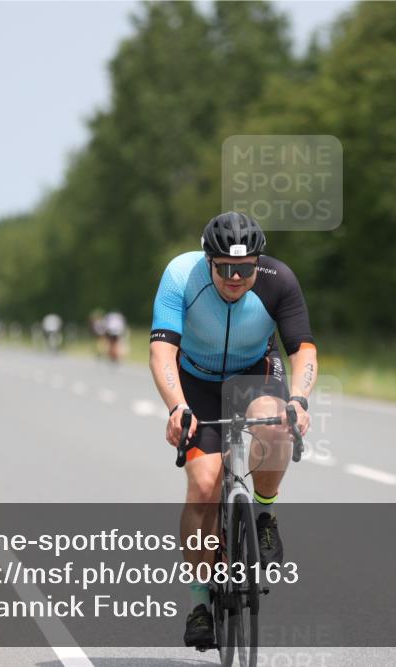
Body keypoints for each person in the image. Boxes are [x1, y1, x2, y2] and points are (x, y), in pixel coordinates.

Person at [148, 212, 318, 648]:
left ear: (257, 262)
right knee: (204, 486)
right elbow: (162, 352)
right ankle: (200, 602)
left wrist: (298, 399)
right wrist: (177, 407)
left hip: (254, 373)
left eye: (245, 267)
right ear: (209, 261)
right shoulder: (180, 276)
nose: (236, 277)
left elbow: (302, 349)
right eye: (225, 268)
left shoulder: (278, 279)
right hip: (197, 381)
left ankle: (264, 514)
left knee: (276, 426)